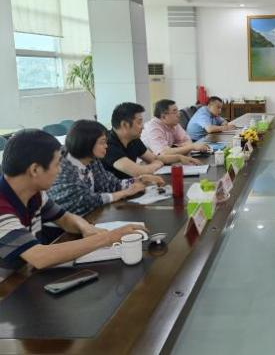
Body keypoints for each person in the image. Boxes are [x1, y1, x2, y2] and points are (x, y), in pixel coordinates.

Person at [0, 129, 145, 281]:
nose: (60, 170)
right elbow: (40, 257)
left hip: (24, 275)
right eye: (57, 164)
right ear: (35, 170)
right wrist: (109, 237)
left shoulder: (35, 193)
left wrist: (86, 228)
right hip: (7, 288)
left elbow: (64, 218)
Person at [48, 120, 164, 218]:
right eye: (102, 142)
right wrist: (124, 193)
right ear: (87, 143)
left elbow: (110, 184)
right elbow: (84, 200)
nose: (106, 146)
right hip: (62, 230)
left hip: (90, 217)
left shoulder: (92, 159)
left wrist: (139, 180)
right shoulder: (61, 165)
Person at [102, 102, 200, 179]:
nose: (143, 126)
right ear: (124, 125)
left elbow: (154, 158)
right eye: (139, 122)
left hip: (131, 187)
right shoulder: (108, 145)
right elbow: (138, 172)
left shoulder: (133, 140)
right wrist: (156, 164)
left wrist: (179, 158)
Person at [142, 99, 209, 156]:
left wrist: (180, 149)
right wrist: (190, 147)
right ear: (163, 116)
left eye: (178, 111)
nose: (179, 114)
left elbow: (187, 140)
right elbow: (163, 153)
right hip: (146, 163)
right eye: (175, 112)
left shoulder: (173, 124)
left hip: (167, 159)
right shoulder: (153, 127)